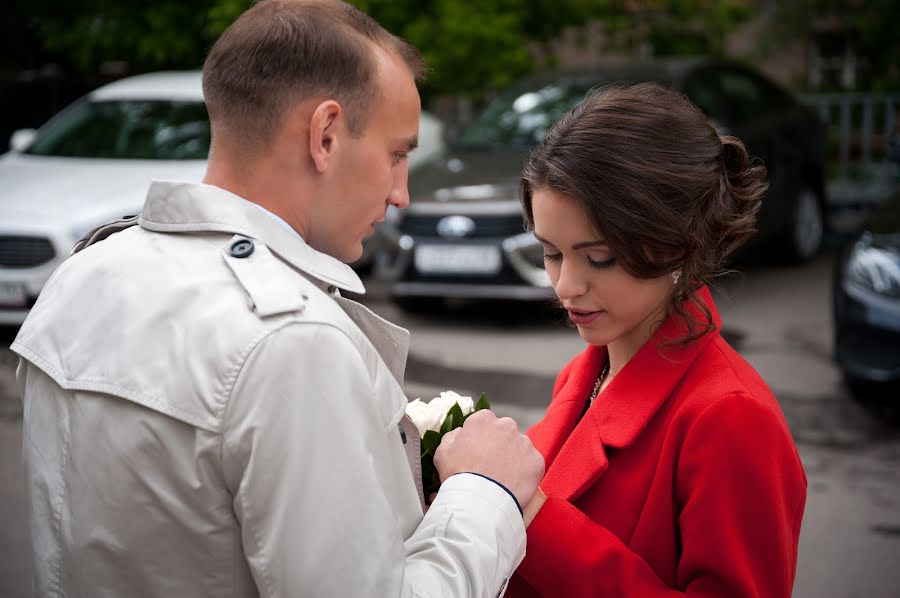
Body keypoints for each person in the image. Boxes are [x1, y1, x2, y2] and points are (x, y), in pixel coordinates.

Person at [12, 1, 544, 596]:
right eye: (397, 155)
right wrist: (484, 493)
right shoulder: (291, 340)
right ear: (325, 136)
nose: (402, 194)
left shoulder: (84, 274)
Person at [506, 83, 808, 597]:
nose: (565, 286)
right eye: (551, 252)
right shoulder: (586, 371)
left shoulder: (730, 417)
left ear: (675, 242)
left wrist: (529, 511)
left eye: (598, 258)